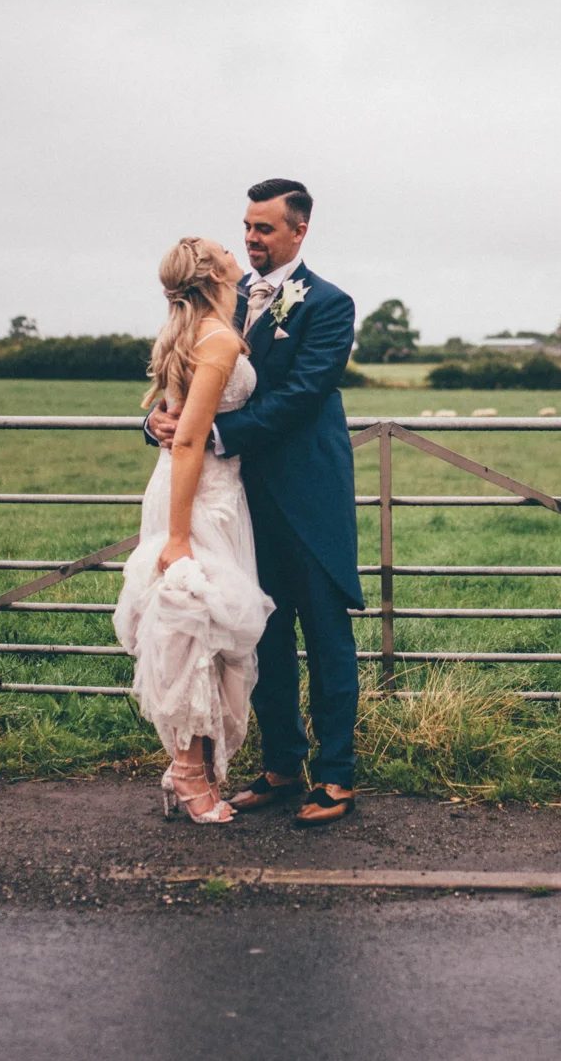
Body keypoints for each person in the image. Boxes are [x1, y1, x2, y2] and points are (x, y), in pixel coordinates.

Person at [145, 178, 363, 826]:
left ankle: (336, 775)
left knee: (326, 638)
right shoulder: (224, 294)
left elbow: (300, 393)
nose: (251, 238)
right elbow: (186, 376)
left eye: (264, 228)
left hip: (309, 497)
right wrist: (159, 419)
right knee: (259, 640)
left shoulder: (329, 304)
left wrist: (210, 434)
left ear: (299, 231)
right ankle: (281, 766)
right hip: (239, 503)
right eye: (246, 226)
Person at [114, 236, 276, 823]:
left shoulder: (194, 330)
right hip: (198, 496)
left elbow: (174, 415)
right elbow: (185, 438)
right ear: (212, 272)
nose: (237, 248)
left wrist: (158, 417)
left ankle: (194, 766)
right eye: (223, 246)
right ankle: (187, 772)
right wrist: (178, 537)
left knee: (206, 631)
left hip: (210, 490)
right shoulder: (218, 337)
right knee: (190, 627)